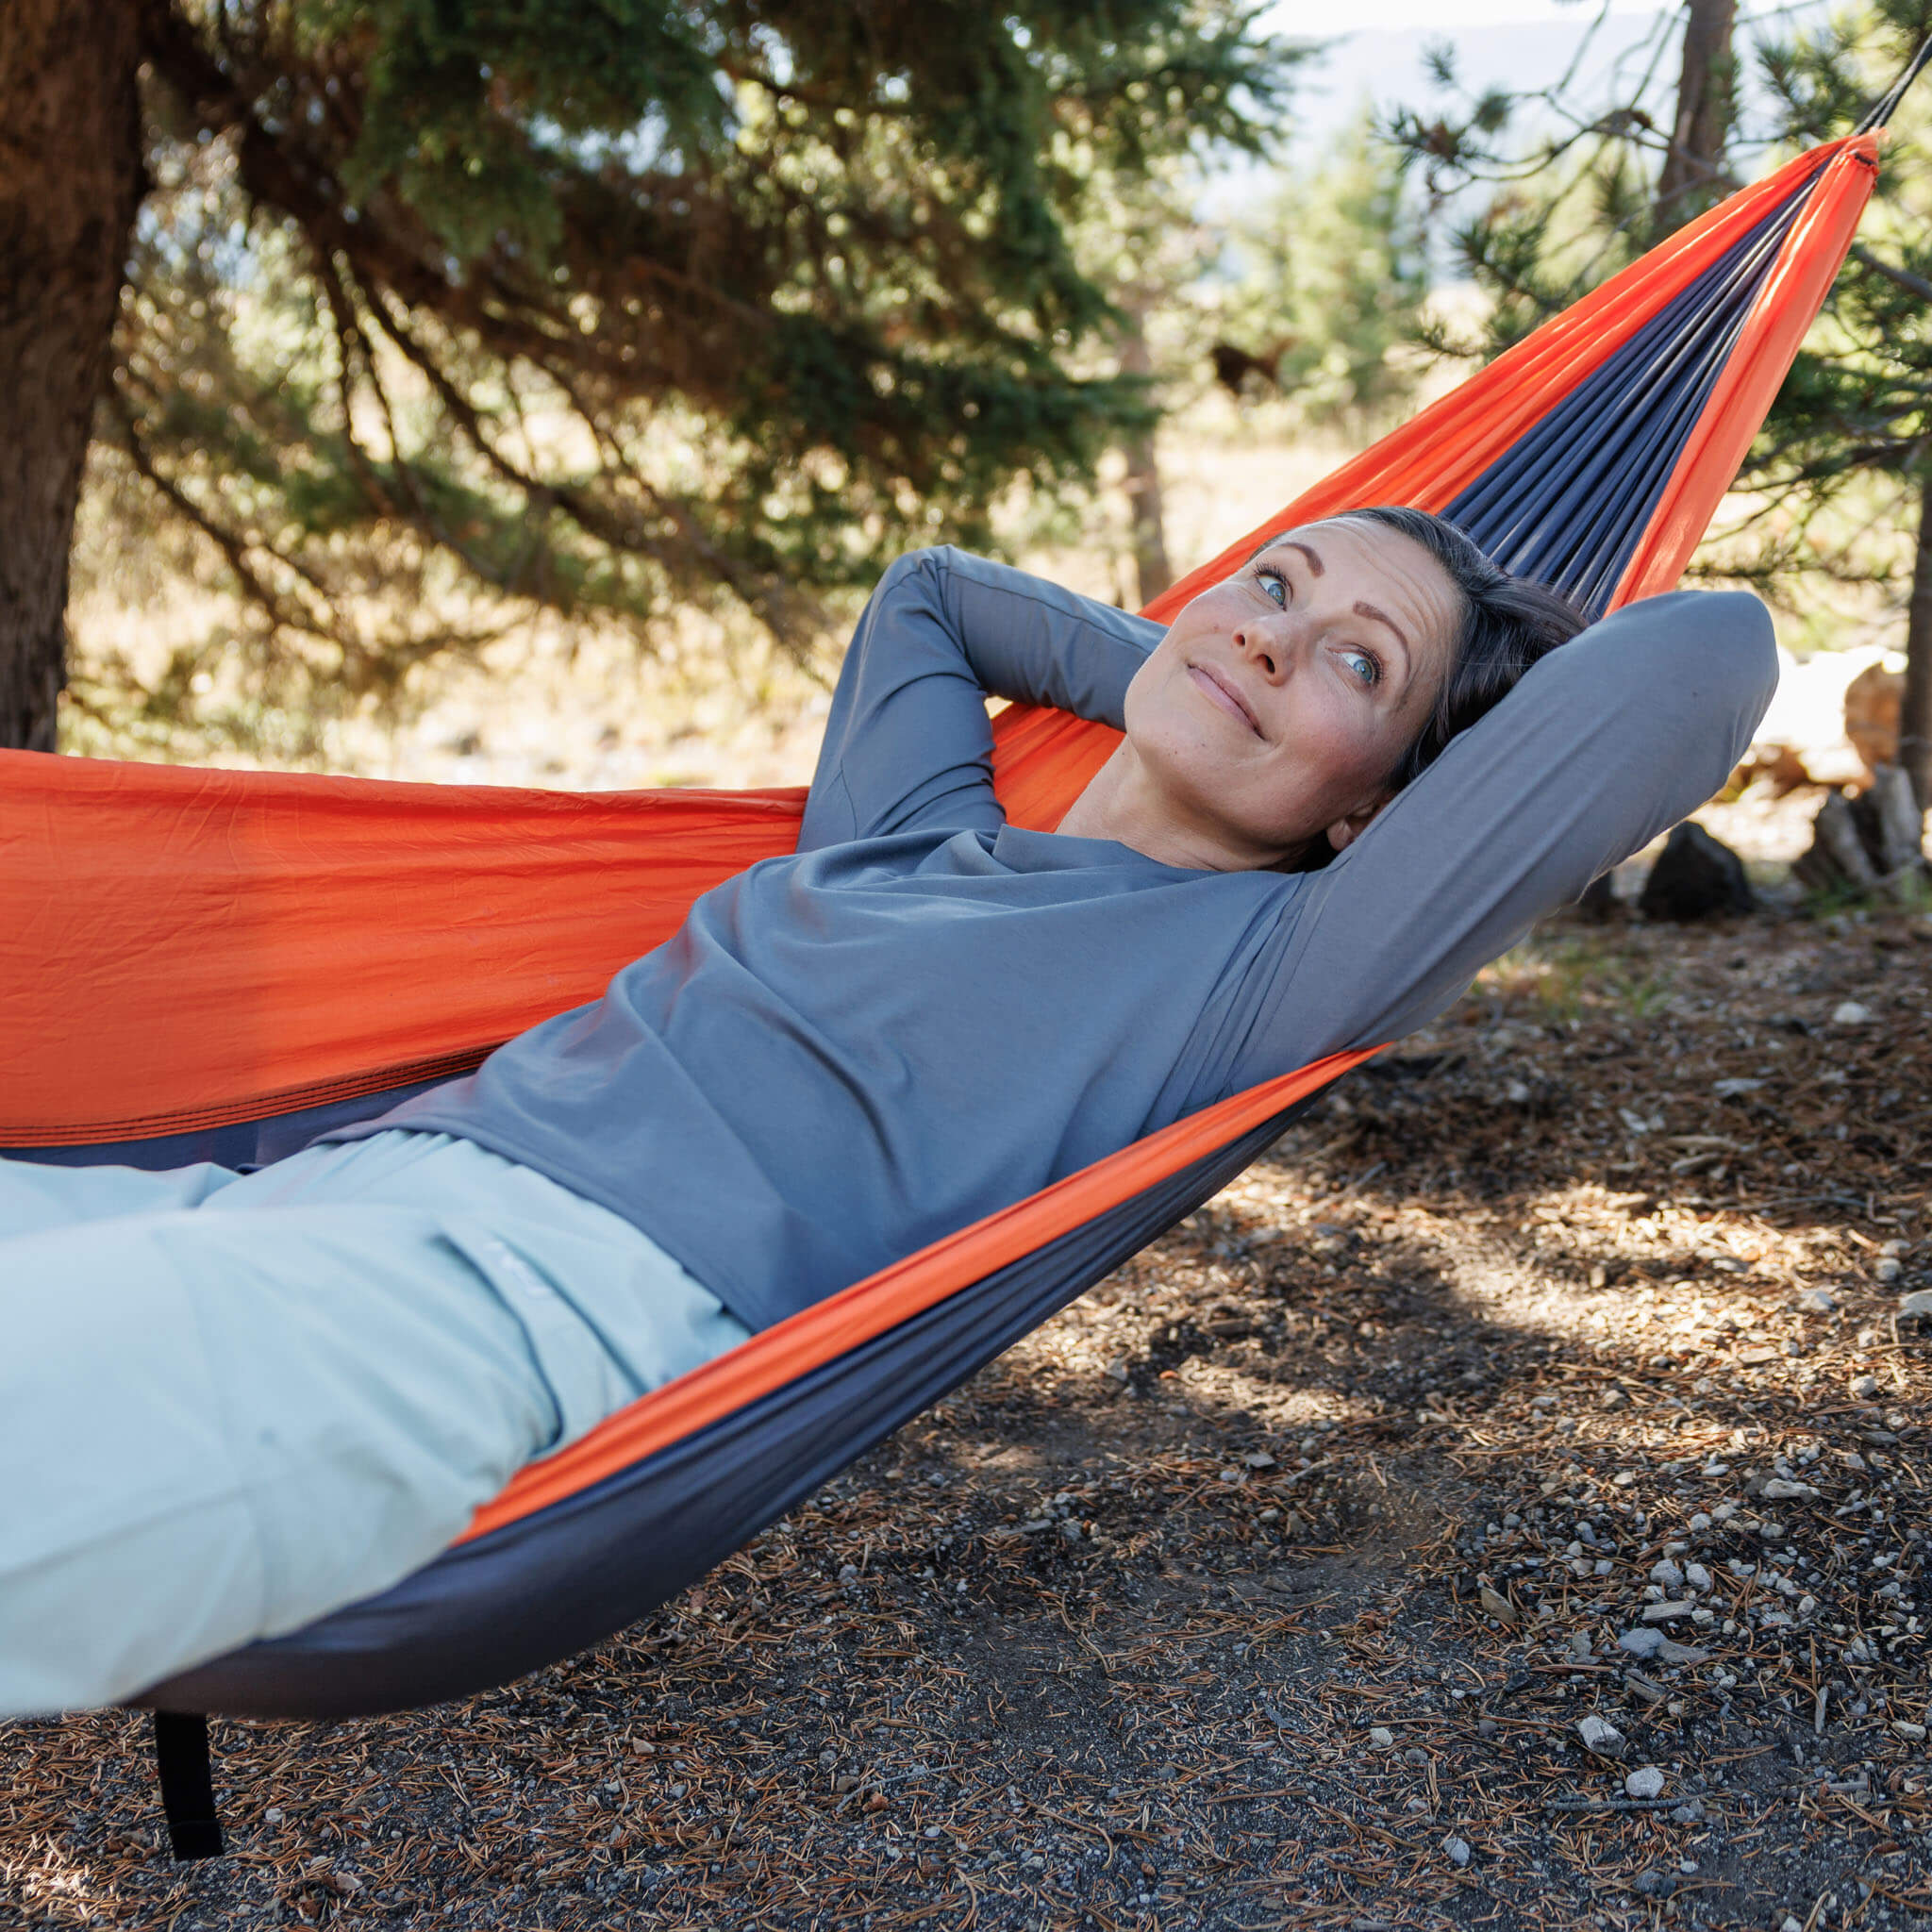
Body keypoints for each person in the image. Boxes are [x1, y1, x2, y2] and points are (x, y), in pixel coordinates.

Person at [0, 508, 1777, 1715]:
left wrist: (1326, 743)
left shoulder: (1269, 970)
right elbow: (932, 592)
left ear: (1381, 816)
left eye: (1355, 664)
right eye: (1274, 583)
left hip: (501, 1334)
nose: (1271, 631)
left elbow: (1701, 660)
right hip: (291, 1200)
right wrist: (1210, 667)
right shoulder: (907, 829)